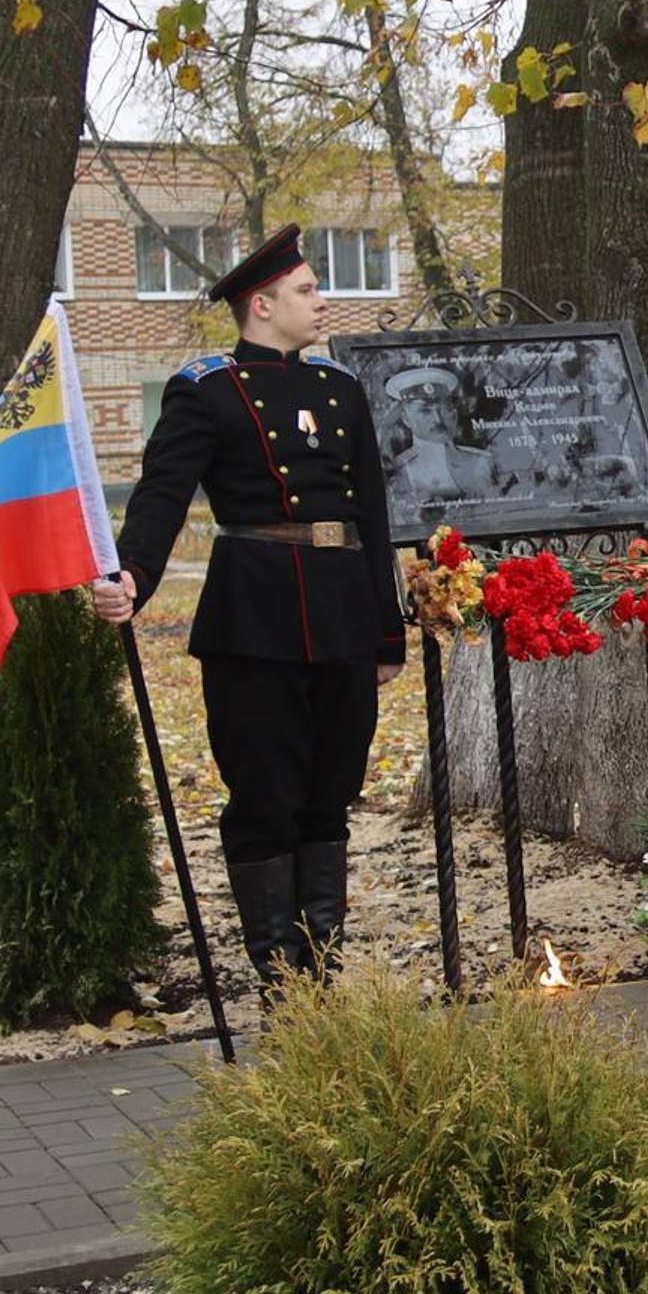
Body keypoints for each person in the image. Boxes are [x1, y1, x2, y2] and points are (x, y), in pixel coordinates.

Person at [91, 225, 405, 995]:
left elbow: (372, 511)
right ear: (260, 305)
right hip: (255, 620)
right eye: (305, 291)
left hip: (341, 620)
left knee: (330, 796)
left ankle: (320, 974)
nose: (320, 301)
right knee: (266, 799)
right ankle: (278, 985)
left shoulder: (340, 390)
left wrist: (385, 628)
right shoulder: (208, 388)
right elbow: (163, 492)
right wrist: (132, 573)